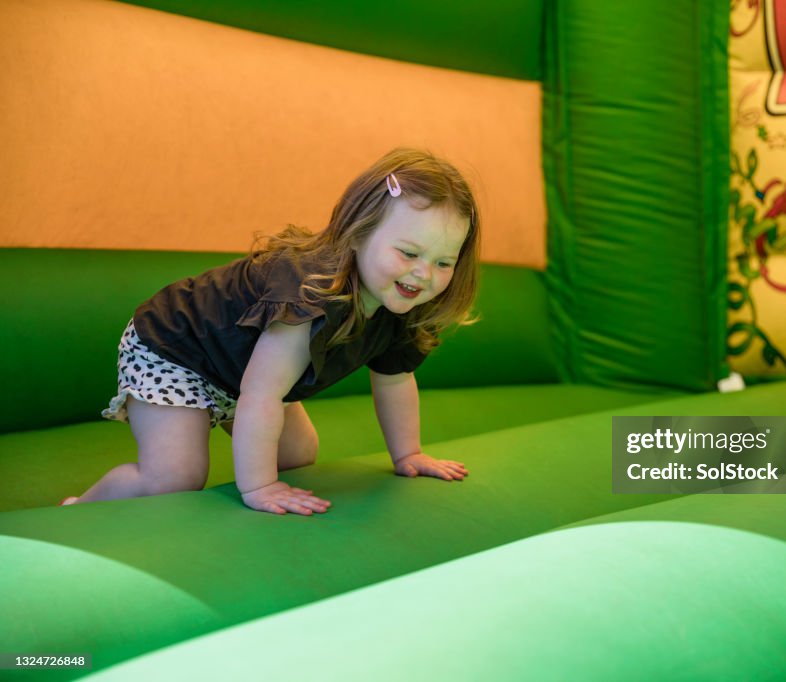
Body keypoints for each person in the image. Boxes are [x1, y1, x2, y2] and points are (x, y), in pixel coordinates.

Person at [63, 148, 478, 515]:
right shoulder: (307, 295)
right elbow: (261, 393)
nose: (424, 274)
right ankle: (80, 509)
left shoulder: (399, 305)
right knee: (173, 478)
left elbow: (395, 379)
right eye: (408, 253)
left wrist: (408, 454)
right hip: (177, 350)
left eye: (444, 262)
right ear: (358, 234)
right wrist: (259, 486)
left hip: (236, 371)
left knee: (298, 454)